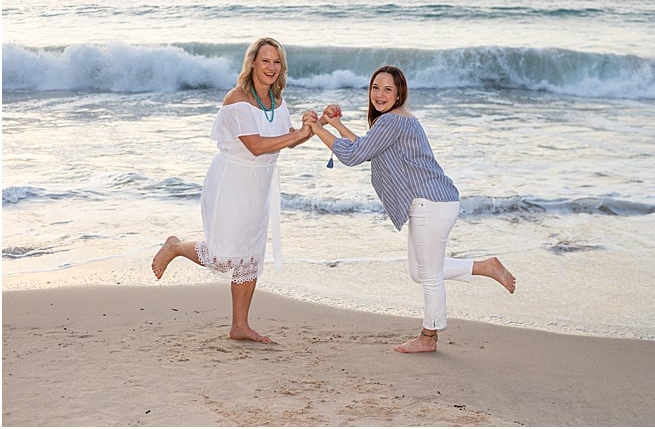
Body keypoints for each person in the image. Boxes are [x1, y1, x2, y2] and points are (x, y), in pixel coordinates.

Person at [304, 65, 516, 353]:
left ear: (399, 92)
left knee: (428, 276)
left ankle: (429, 337)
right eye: (375, 87)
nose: (379, 94)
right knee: (420, 272)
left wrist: (316, 129)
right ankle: (484, 266)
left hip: (432, 203)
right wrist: (338, 125)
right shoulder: (395, 120)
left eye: (387, 89)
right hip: (435, 201)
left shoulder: (392, 121)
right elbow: (367, 148)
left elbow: (354, 156)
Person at [152, 37, 318, 343]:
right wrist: (297, 135)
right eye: (265, 60)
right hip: (232, 181)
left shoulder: (278, 102)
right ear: (252, 62)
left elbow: (285, 138)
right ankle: (175, 246)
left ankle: (239, 325)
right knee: (223, 256)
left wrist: (310, 129)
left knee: (250, 255)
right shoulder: (237, 99)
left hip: (261, 184)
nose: (271, 67)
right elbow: (255, 146)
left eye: (277, 62)